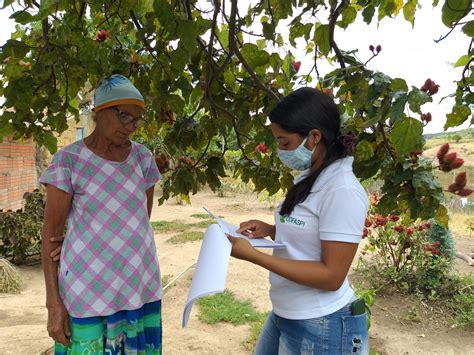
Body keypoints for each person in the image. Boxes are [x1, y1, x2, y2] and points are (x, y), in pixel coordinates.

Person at [228, 87, 369, 354]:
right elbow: (307, 236)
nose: (280, 151)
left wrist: (254, 256)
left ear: (314, 136)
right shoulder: (310, 176)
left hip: (322, 322)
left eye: (285, 143)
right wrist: (271, 229)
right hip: (287, 311)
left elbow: (332, 276)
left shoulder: (342, 190)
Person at [40, 74, 163, 354]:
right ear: (100, 111)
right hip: (88, 290)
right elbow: (50, 235)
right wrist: (53, 304)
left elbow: (140, 220)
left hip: (138, 285)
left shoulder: (143, 159)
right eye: (124, 116)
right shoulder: (68, 161)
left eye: (137, 119)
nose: (131, 126)